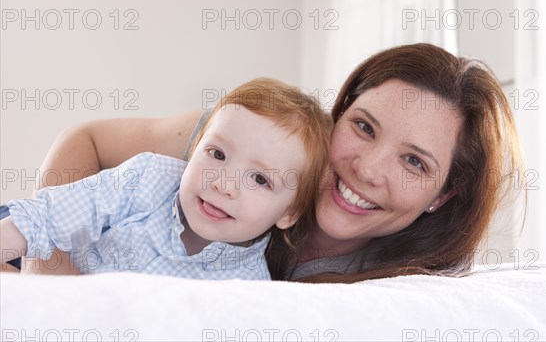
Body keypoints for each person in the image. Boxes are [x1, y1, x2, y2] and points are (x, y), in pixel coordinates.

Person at [6, 43, 524, 283]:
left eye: (414, 161)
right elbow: (87, 139)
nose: (366, 168)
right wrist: (49, 277)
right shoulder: (250, 138)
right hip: (47, 232)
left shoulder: (397, 285)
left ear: (442, 196)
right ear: (336, 115)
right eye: (363, 127)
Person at [0, 78, 332, 279]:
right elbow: (47, 217)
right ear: (195, 145)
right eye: (216, 154)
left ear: (289, 213)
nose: (224, 185)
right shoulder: (148, 179)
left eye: (260, 179)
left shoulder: (247, 287)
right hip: (41, 247)